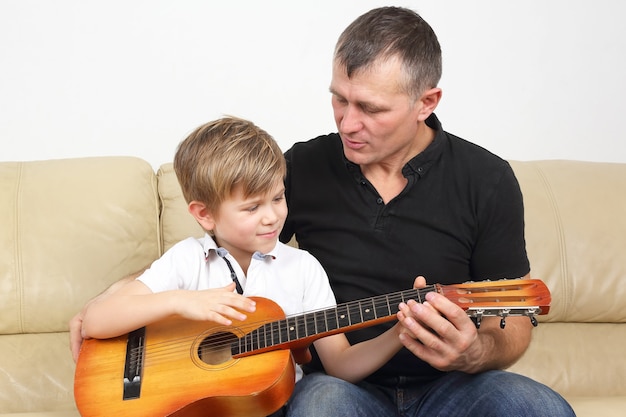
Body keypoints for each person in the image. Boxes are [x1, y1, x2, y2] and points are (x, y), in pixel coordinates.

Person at [276, 6, 575, 417]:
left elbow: (513, 321)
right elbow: (235, 263)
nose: (347, 123)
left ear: (426, 102)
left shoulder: (486, 179)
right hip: (342, 385)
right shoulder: (302, 166)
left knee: (539, 408)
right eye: (338, 99)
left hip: (452, 386)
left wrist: (474, 352)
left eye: (371, 108)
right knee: (321, 406)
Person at [78, 116, 414, 413]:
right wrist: (181, 300)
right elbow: (96, 320)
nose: (272, 217)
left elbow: (341, 364)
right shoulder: (188, 259)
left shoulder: (303, 268)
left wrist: (399, 333)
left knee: (319, 395)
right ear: (204, 214)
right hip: (201, 408)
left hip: (280, 405)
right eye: (252, 208)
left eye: (278, 198)